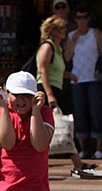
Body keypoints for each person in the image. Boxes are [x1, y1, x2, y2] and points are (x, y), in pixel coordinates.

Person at [36, 15, 101, 179]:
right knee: (55, 128)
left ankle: (77, 164)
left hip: (56, 89)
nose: (66, 31)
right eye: (63, 29)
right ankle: (76, 164)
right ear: (55, 31)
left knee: (63, 127)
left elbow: (55, 70)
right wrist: (49, 94)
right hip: (46, 92)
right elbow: (42, 70)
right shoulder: (47, 47)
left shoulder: (57, 48)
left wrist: (69, 75)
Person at [0, 71, 54, 191]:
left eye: (26, 95)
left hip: (35, 190)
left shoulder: (44, 112)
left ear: (35, 95)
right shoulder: (1, 112)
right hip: (4, 189)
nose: (20, 100)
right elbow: (7, 143)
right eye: (16, 94)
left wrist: (36, 112)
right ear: (7, 94)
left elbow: (40, 144)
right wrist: (5, 108)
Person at [64, 6, 102, 159]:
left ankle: (98, 148)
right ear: (75, 19)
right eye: (79, 17)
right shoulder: (71, 35)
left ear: (89, 18)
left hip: (93, 78)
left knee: (96, 112)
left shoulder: (96, 33)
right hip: (77, 79)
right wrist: (73, 41)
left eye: (84, 17)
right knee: (80, 113)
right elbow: (67, 57)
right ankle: (82, 148)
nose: (82, 21)